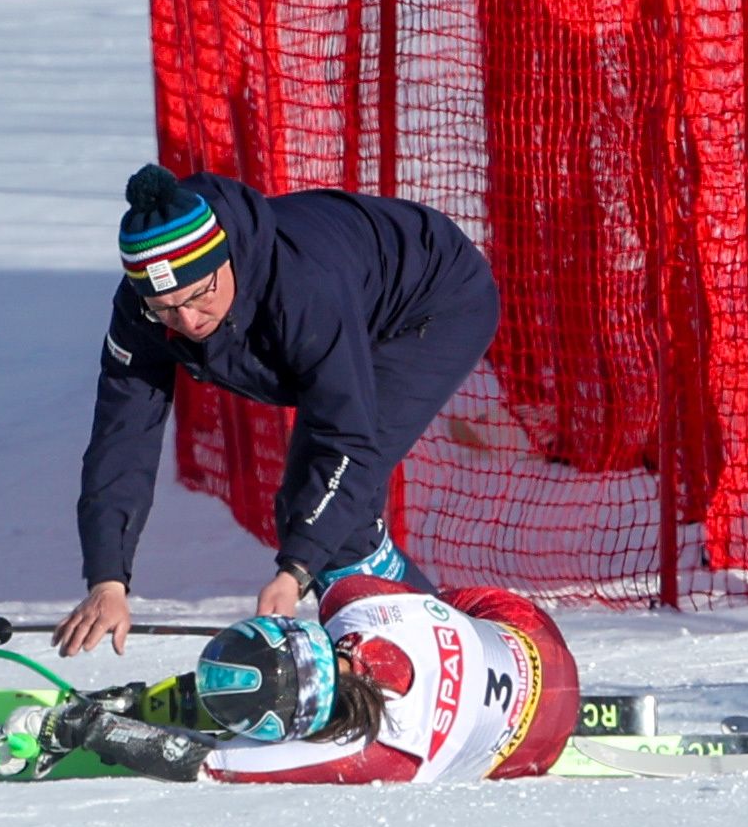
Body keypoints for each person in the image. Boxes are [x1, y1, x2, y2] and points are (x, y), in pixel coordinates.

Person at [55, 163, 499, 658]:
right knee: (319, 517)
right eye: (165, 307)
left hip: (432, 302)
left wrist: (296, 572)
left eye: (199, 296)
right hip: (349, 308)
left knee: (327, 518)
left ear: (225, 261)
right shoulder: (144, 311)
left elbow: (346, 439)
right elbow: (122, 438)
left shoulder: (301, 287)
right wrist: (108, 579)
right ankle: (417, 652)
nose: (186, 320)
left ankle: (458, 664)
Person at [1, 576, 579, 785]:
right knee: (446, 608)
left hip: (534, 748)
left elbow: (200, 763)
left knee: (444, 609)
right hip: (535, 642)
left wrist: (88, 728)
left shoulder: (369, 755)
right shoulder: (358, 606)